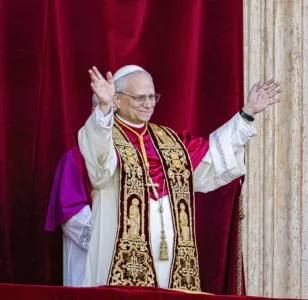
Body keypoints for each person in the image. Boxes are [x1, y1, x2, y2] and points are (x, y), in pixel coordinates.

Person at [78, 65, 281, 291]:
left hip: (171, 260)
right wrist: (104, 110)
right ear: (117, 99)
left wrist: (247, 113)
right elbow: (99, 163)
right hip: (118, 258)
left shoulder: (170, 141)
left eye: (152, 96)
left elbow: (212, 156)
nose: (148, 103)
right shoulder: (105, 135)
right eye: (139, 97)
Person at [44, 97, 100, 286]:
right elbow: (72, 214)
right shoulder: (75, 159)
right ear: (95, 112)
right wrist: (112, 238)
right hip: (88, 259)